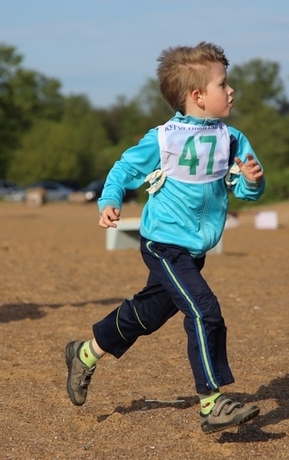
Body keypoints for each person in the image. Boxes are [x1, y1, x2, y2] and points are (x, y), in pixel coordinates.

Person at [63, 42, 265, 434]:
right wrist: (109, 199)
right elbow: (123, 168)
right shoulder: (164, 138)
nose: (231, 91)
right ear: (197, 97)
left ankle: (86, 351)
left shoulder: (233, 139)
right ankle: (212, 401)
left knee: (149, 315)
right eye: (223, 84)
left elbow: (246, 190)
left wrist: (254, 181)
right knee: (205, 309)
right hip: (163, 244)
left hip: (194, 250)